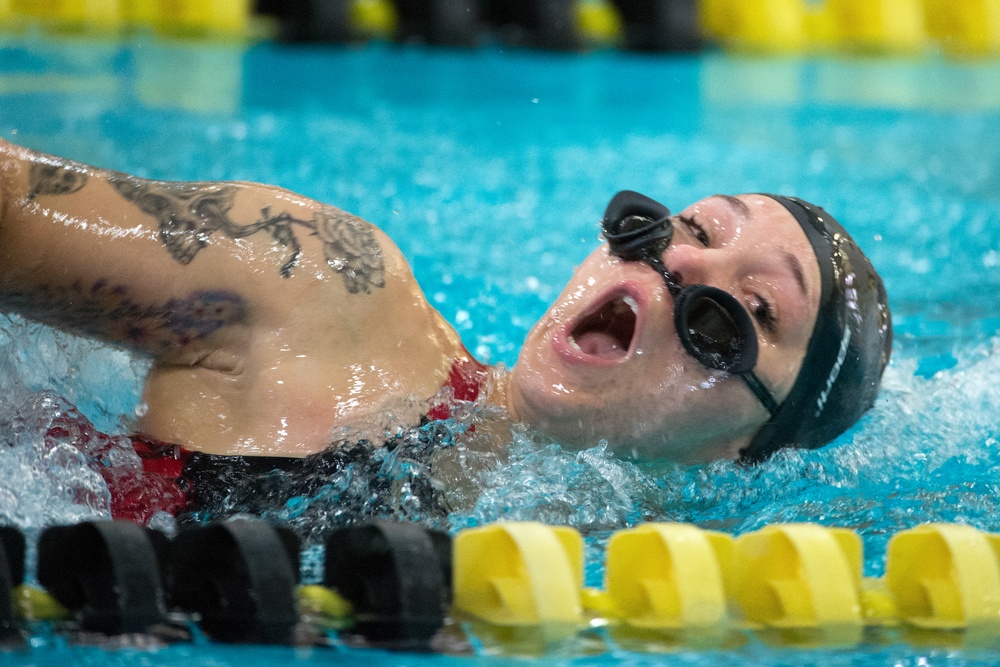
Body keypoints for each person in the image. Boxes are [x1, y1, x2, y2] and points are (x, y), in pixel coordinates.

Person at [0, 139, 892, 483]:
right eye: (684, 225)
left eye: (747, 309)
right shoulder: (324, 287)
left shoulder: (645, 578)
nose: (681, 261)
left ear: (747, 449)